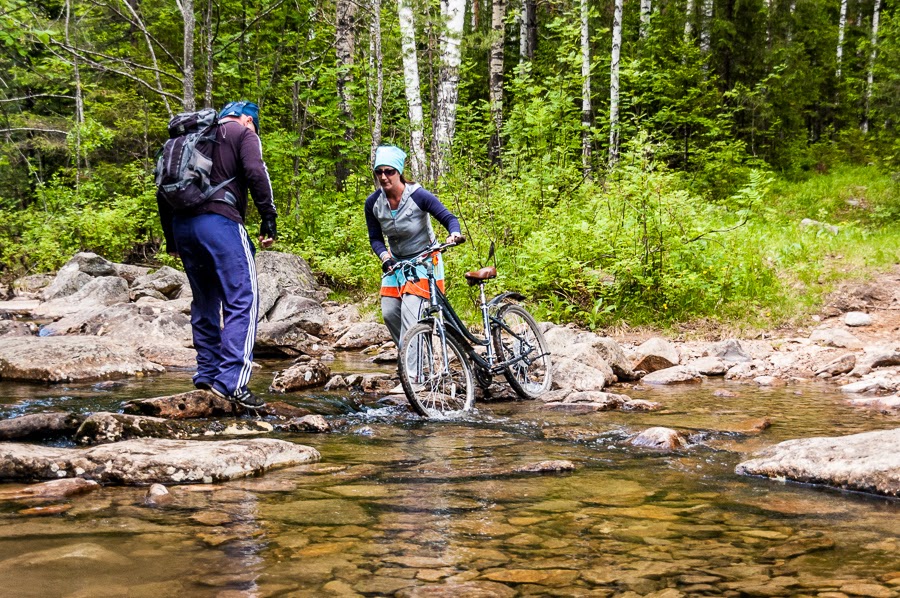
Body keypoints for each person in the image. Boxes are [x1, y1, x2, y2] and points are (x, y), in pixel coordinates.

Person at [157, 100, 276, 409]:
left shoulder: (190, 138)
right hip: (220, 224)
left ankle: (208, 373)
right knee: (243, 299)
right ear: (249, 119)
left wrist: (171, 237)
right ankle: (232, 382)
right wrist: (268, 216)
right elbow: (255, 171)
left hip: (183, 225)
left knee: (205, 300)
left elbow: (162, 188)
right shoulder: (242, 132)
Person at [364, 145, 463, 347]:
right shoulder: (373, 203)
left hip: (424, 260)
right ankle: (411, 356)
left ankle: (413, 376)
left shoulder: (418, 196)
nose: (384, 177)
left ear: (399, 172)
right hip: (396, 262)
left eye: (389, 171)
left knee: (411, 312)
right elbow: (375, 238)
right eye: (379, 172)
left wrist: (454, 234)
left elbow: (448, 218)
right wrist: (384, 257)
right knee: (389, 312)